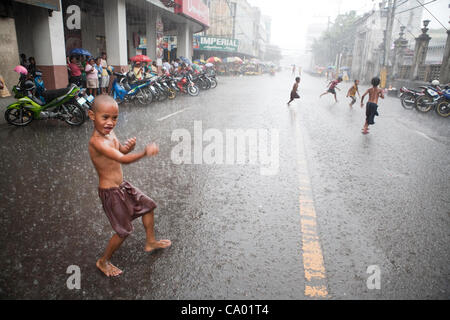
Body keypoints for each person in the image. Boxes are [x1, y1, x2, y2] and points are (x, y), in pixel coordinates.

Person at [87, 95, 171, 277]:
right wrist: (143, 153)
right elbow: (122, 160)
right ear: (92, 115)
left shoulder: (110, 134)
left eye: (114, 118)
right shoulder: (97, 141)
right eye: (105, 117)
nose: (110, 122)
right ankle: (103, 261)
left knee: (148, 206)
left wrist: (129, 147)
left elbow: (121, 152)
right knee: (123, 231)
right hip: (110, 192)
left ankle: (150, 242)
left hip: (122, 186)